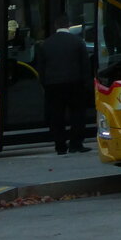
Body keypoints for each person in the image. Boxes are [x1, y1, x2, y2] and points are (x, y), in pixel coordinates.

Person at [34, 15, 91, 155]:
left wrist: (45, 83)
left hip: (53, 85)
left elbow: (40, 68)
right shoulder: (77, 42)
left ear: (55, 26)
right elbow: (85, 66)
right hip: (74, 83)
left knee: (56, 116)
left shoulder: (46, 44)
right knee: (77, 115)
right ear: (69, 25)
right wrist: (87, 84)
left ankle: (60, 146)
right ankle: (76, 144)